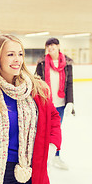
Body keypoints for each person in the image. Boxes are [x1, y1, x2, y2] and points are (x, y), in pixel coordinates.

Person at [0, 34, 62, 184]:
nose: (17, 60)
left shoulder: (37, 89)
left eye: (20, 54)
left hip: (31, 166)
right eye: (10, 54)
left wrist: (52, 145)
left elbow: (53, 118)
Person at [35, 37, 75, 170]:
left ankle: (56, 157)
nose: (50, 48)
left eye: (53, 45)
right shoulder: (42, 63)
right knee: (43, 130)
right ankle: (43, 157)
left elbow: (69, 83)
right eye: (48, 46)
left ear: (58, 46)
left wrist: (70, 102)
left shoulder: (67, 63)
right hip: (46, 103)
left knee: (56, 131)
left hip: (61, 104)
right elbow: (37, 82)